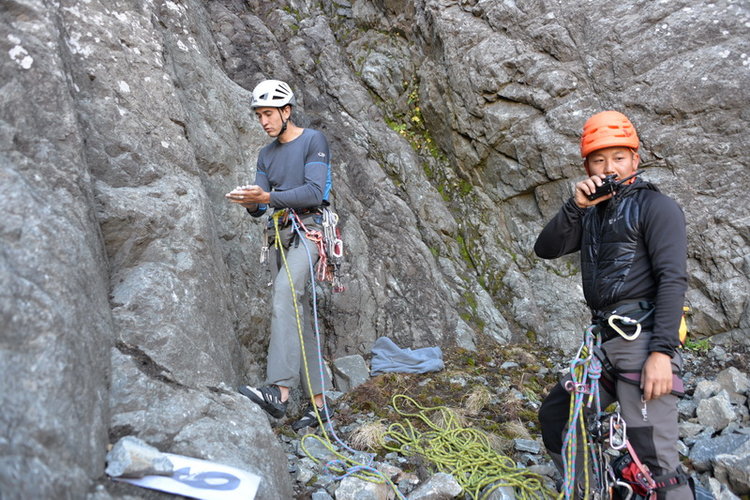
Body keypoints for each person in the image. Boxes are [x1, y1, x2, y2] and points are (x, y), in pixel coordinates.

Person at [534, 111, 694, 499]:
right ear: (587, 166)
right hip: (606, 345)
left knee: (657, 466)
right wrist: (577, 207)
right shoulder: (593, 214)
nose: (610, 168)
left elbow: (673, 280)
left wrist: (661, 353)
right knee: (557, 417)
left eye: (619, 157)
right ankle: (590, 489)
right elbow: (547, 248)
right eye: (599, 160)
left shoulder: (658, 208)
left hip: (642, 342)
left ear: (635, 160)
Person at [226, 79, 333, 431]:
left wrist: (267, 199)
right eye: (259, 115)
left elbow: (314, 191)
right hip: (281, 235)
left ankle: (280, 392)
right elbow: (261, 208)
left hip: (310, 230)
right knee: (295, 310)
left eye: (269, 114)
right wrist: (251, 203)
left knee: (285, 293)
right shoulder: (266, 155)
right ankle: (320, 404)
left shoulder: (312, 141)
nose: (264, 122)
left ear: (287, 111)